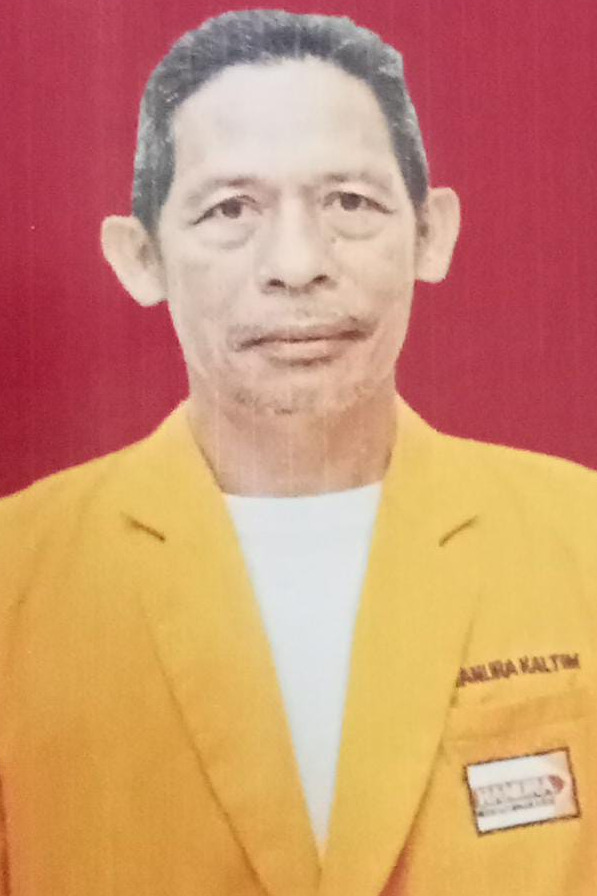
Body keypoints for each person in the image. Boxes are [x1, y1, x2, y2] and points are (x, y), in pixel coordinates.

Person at [0, 9, 596, 895]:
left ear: (430, 233)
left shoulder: (578, 537)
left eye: (348, 202)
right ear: (140, 258)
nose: (296, 263)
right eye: (229, 209)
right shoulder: (18, 572)